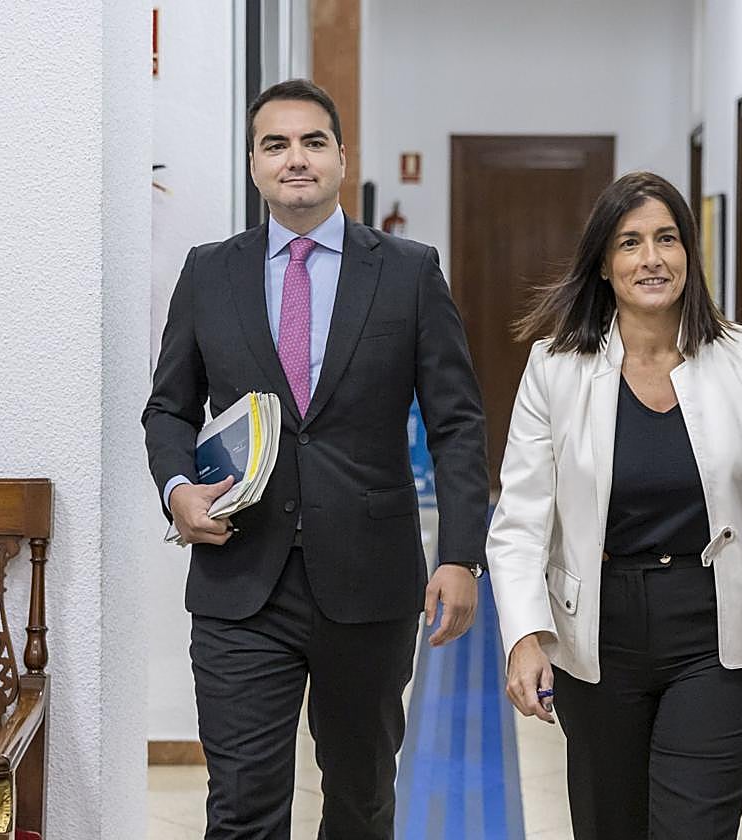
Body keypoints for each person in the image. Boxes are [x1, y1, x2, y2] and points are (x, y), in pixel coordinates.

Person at [143, 79, 488, 839]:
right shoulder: (209, 272)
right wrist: (177, 489)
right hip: (240, 579)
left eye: (312, 142)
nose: (295, 158)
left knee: (361, 801)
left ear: (340, 158)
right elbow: (168, 407)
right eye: (276, 144)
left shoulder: (408, 271)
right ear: (254, 165)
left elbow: (458, 423)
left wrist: (461, 555)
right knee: (241, 807)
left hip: (370, 582)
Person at [487, 172, 742, 839]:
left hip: (716, 632)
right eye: (630, 242)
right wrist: (525, 637)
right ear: (603, 264)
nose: (651, 258)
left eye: (666, 239)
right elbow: (520, 523)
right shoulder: (555, 368)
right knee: (609, 824)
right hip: (598, 632)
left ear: (688, 253)